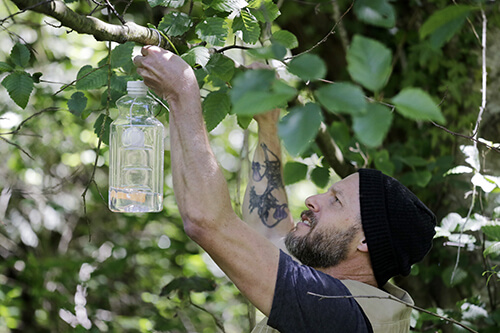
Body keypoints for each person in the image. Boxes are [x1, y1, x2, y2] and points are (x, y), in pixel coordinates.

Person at [133, 45, 437, 333]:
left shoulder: (337, 314)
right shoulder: (348, 292)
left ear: (366, 241)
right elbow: (266, 235)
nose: (312, 199)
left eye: (336, 201)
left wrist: (183, 92)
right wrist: (268, 123)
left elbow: (206, 222)